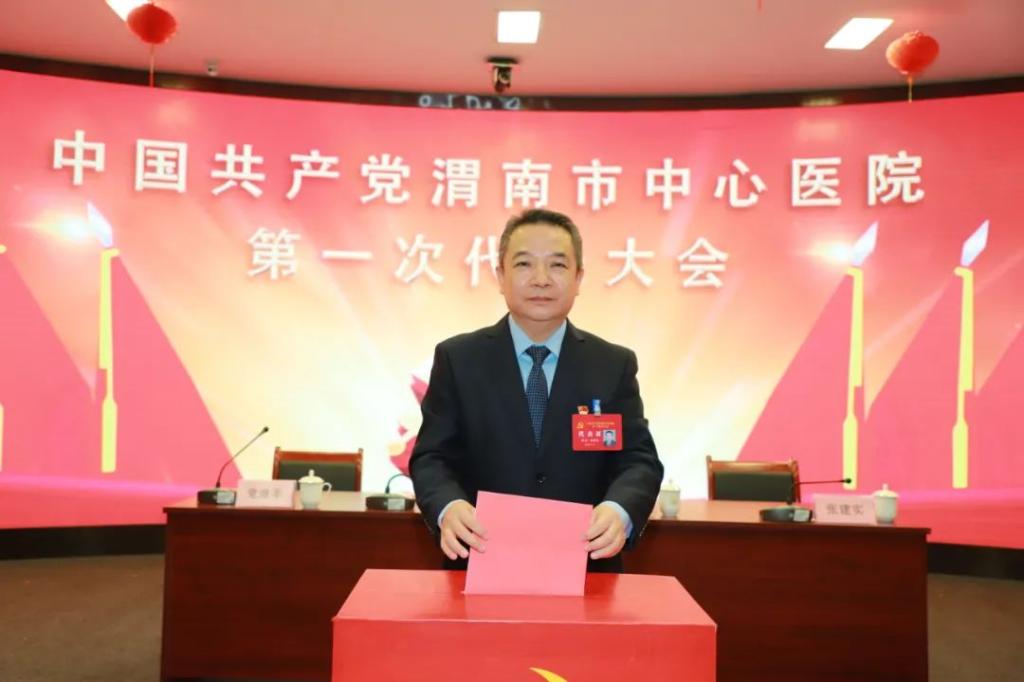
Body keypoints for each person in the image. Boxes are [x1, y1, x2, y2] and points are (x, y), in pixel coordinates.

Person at [409, 209, 663, 572]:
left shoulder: (612, 364)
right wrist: (448, 506)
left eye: (557, 265)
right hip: (479, 562)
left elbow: (638, 460)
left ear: (578, 278)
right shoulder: (458, 359)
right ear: (501, 275)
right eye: (524, 264)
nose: (541, 279)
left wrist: (619, 509)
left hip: (587, 567)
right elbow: (432, 456)